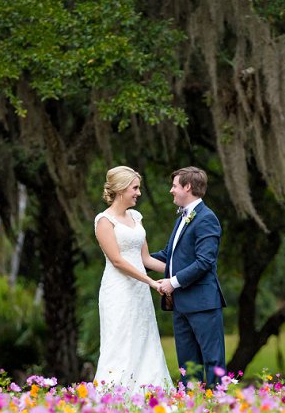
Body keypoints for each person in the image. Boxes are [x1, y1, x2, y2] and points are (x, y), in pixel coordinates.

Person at [92, 166, 173, 392]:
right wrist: (151, 283)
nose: (138, 193)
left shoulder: (135, 217)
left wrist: (177, 273)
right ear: (120, 190)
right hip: (118, 291)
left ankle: (150, 393)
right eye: (135, 188)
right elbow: (117, 261)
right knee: (121, 342)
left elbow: (145, 258)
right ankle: (114, 395)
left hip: (140, 290)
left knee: (145, 340)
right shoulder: (104, 221)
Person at [151, 166, 226, 389]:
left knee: (212, 361)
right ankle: (191, 411)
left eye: (174, 186)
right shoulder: (182, 218)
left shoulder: (206, 218)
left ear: (188, 187)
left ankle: (218, 409)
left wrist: (172, 283)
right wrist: (131, 256)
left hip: (203, 303)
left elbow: (205, 262)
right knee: (187, 365)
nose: (171, 191)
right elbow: (168, 256)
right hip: (181, 305)